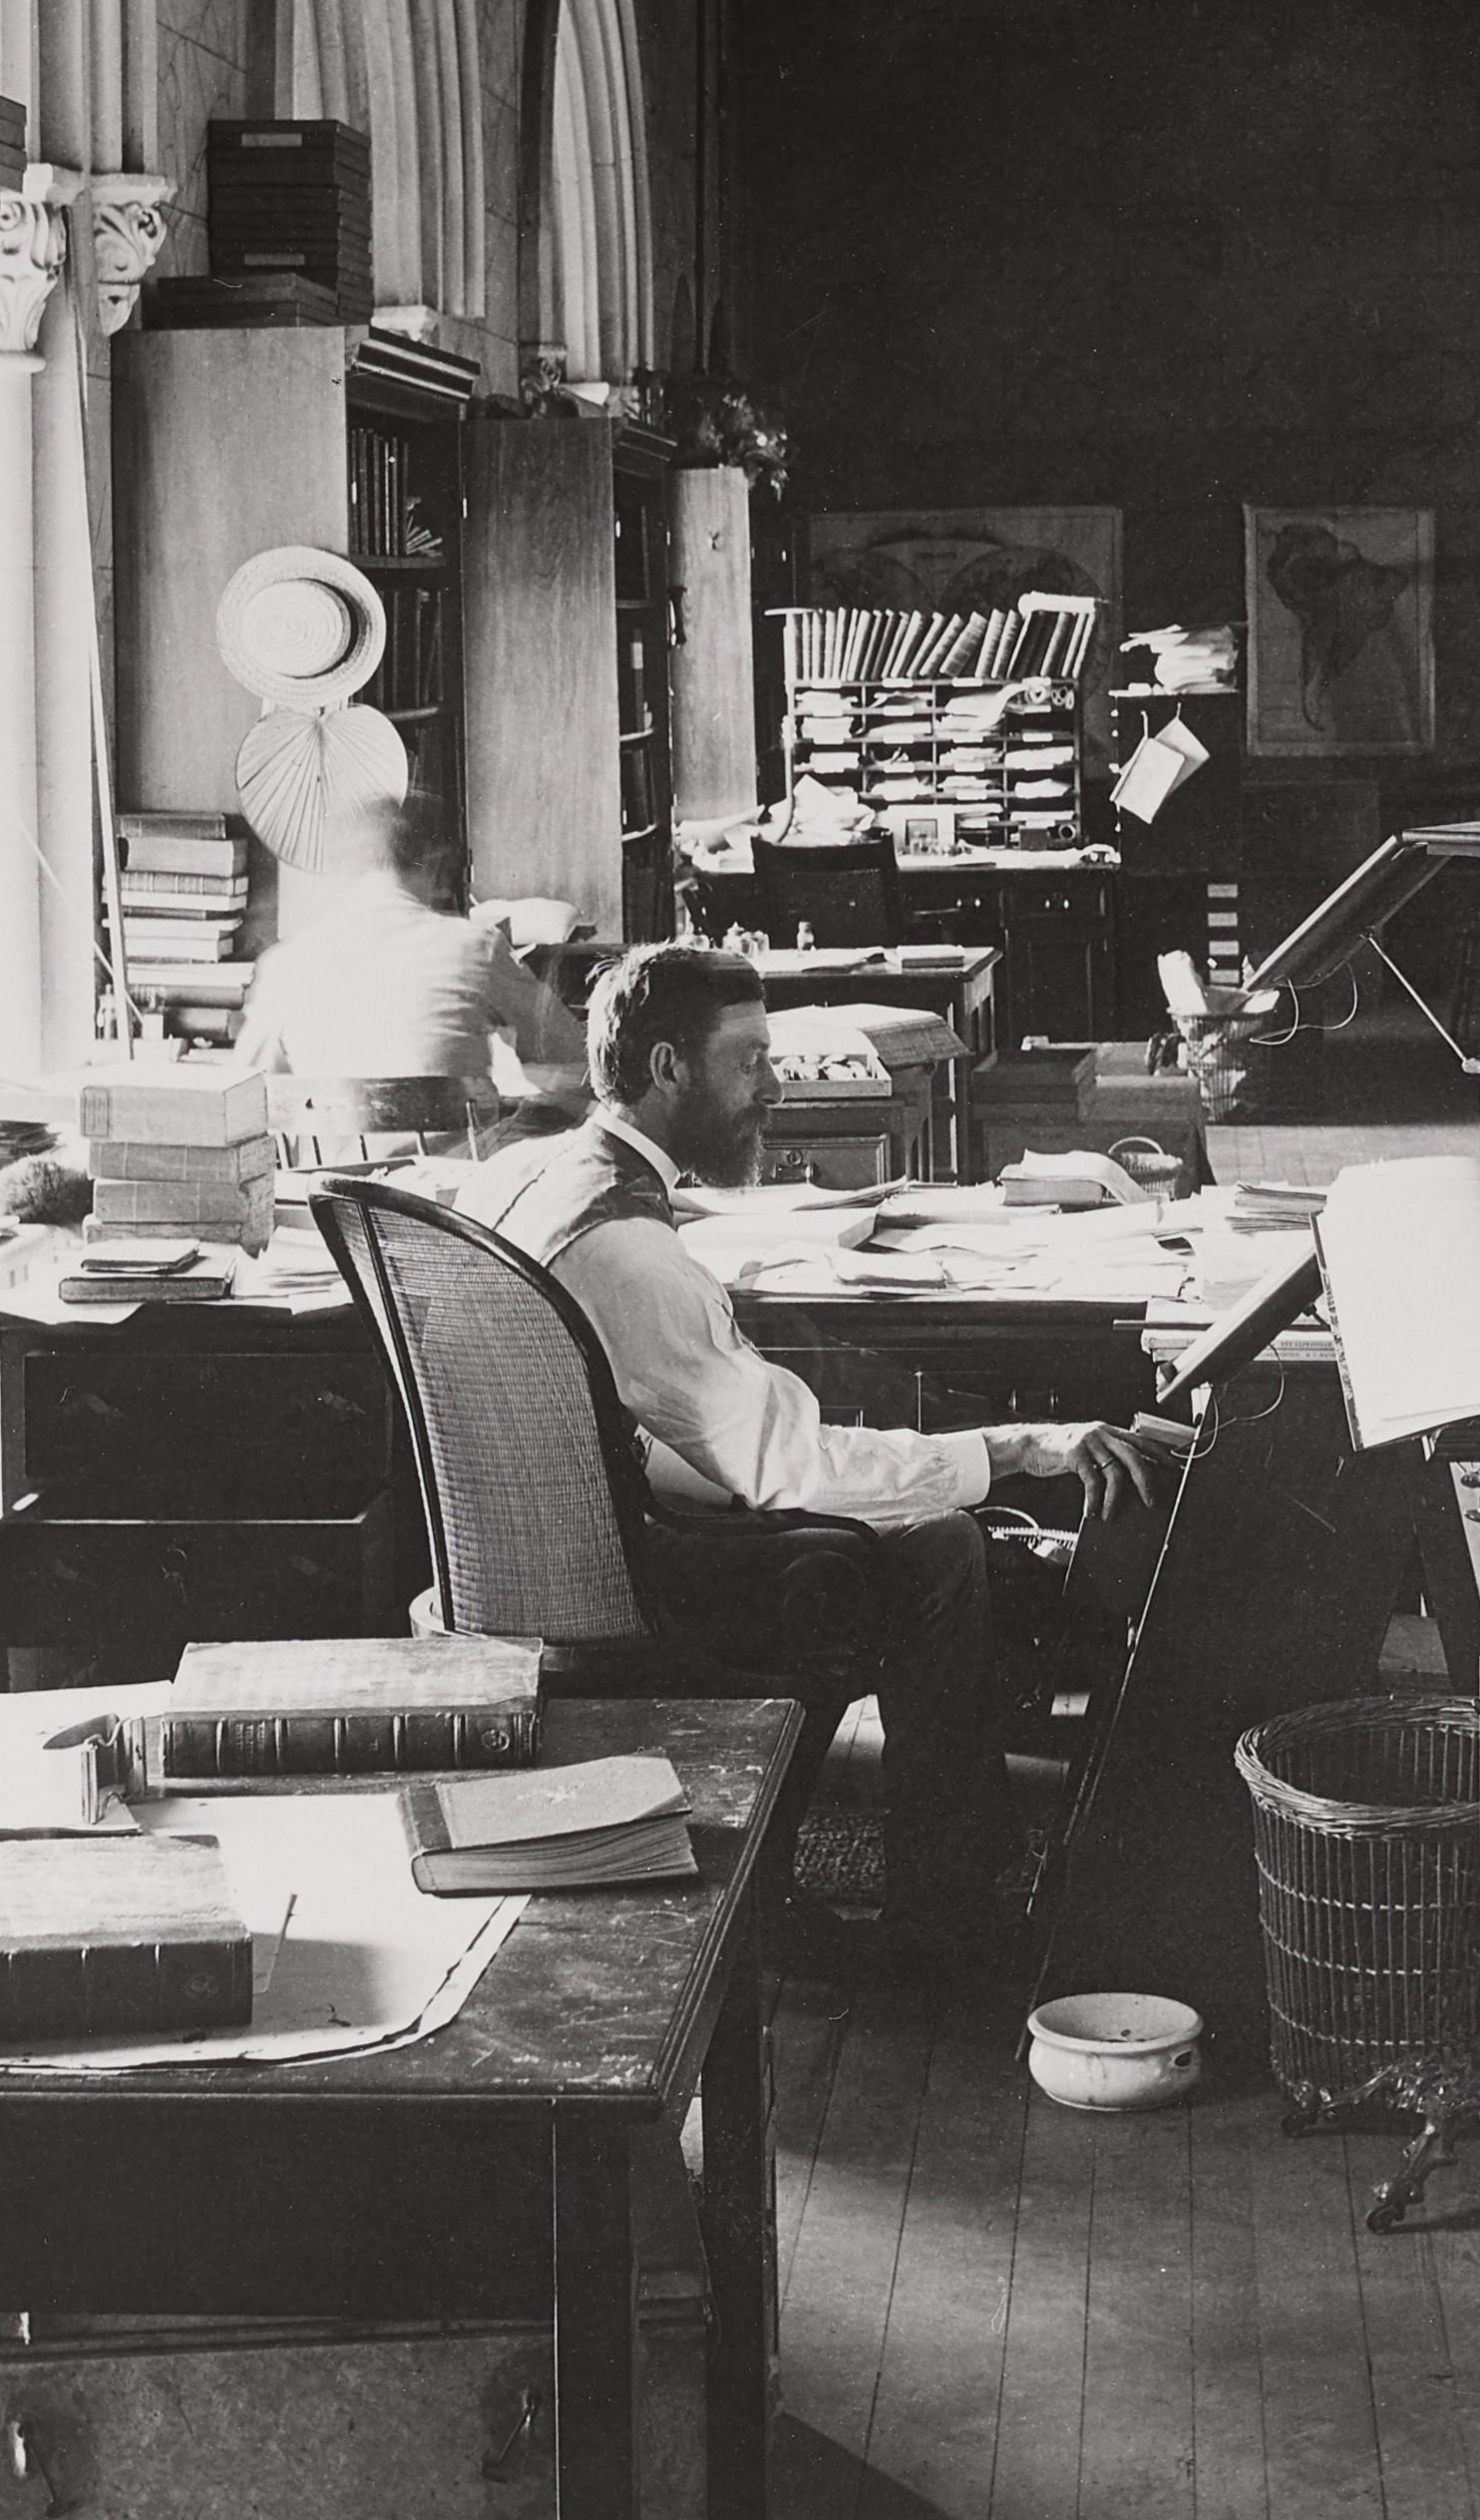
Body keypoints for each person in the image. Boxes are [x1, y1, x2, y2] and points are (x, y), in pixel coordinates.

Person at [452, 943, 1199, 1973]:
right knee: (939, 1552)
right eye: (749, 1060)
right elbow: (787, 1471)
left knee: (899, 1491)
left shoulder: (527, 1170)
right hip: (624, 1583)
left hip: (532, 1548)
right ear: (667, 1068)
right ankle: (947, 1923)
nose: (773, 1086)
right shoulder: (626, 1249)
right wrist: (1021, 1444)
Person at [237, 784, 575, 1141]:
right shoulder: (475, 945)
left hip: (324, 1188)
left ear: (343, 869)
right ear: (434, 865)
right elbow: (576, 1056)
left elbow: (242, 1090)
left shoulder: (285, 965)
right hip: (453, 1192)